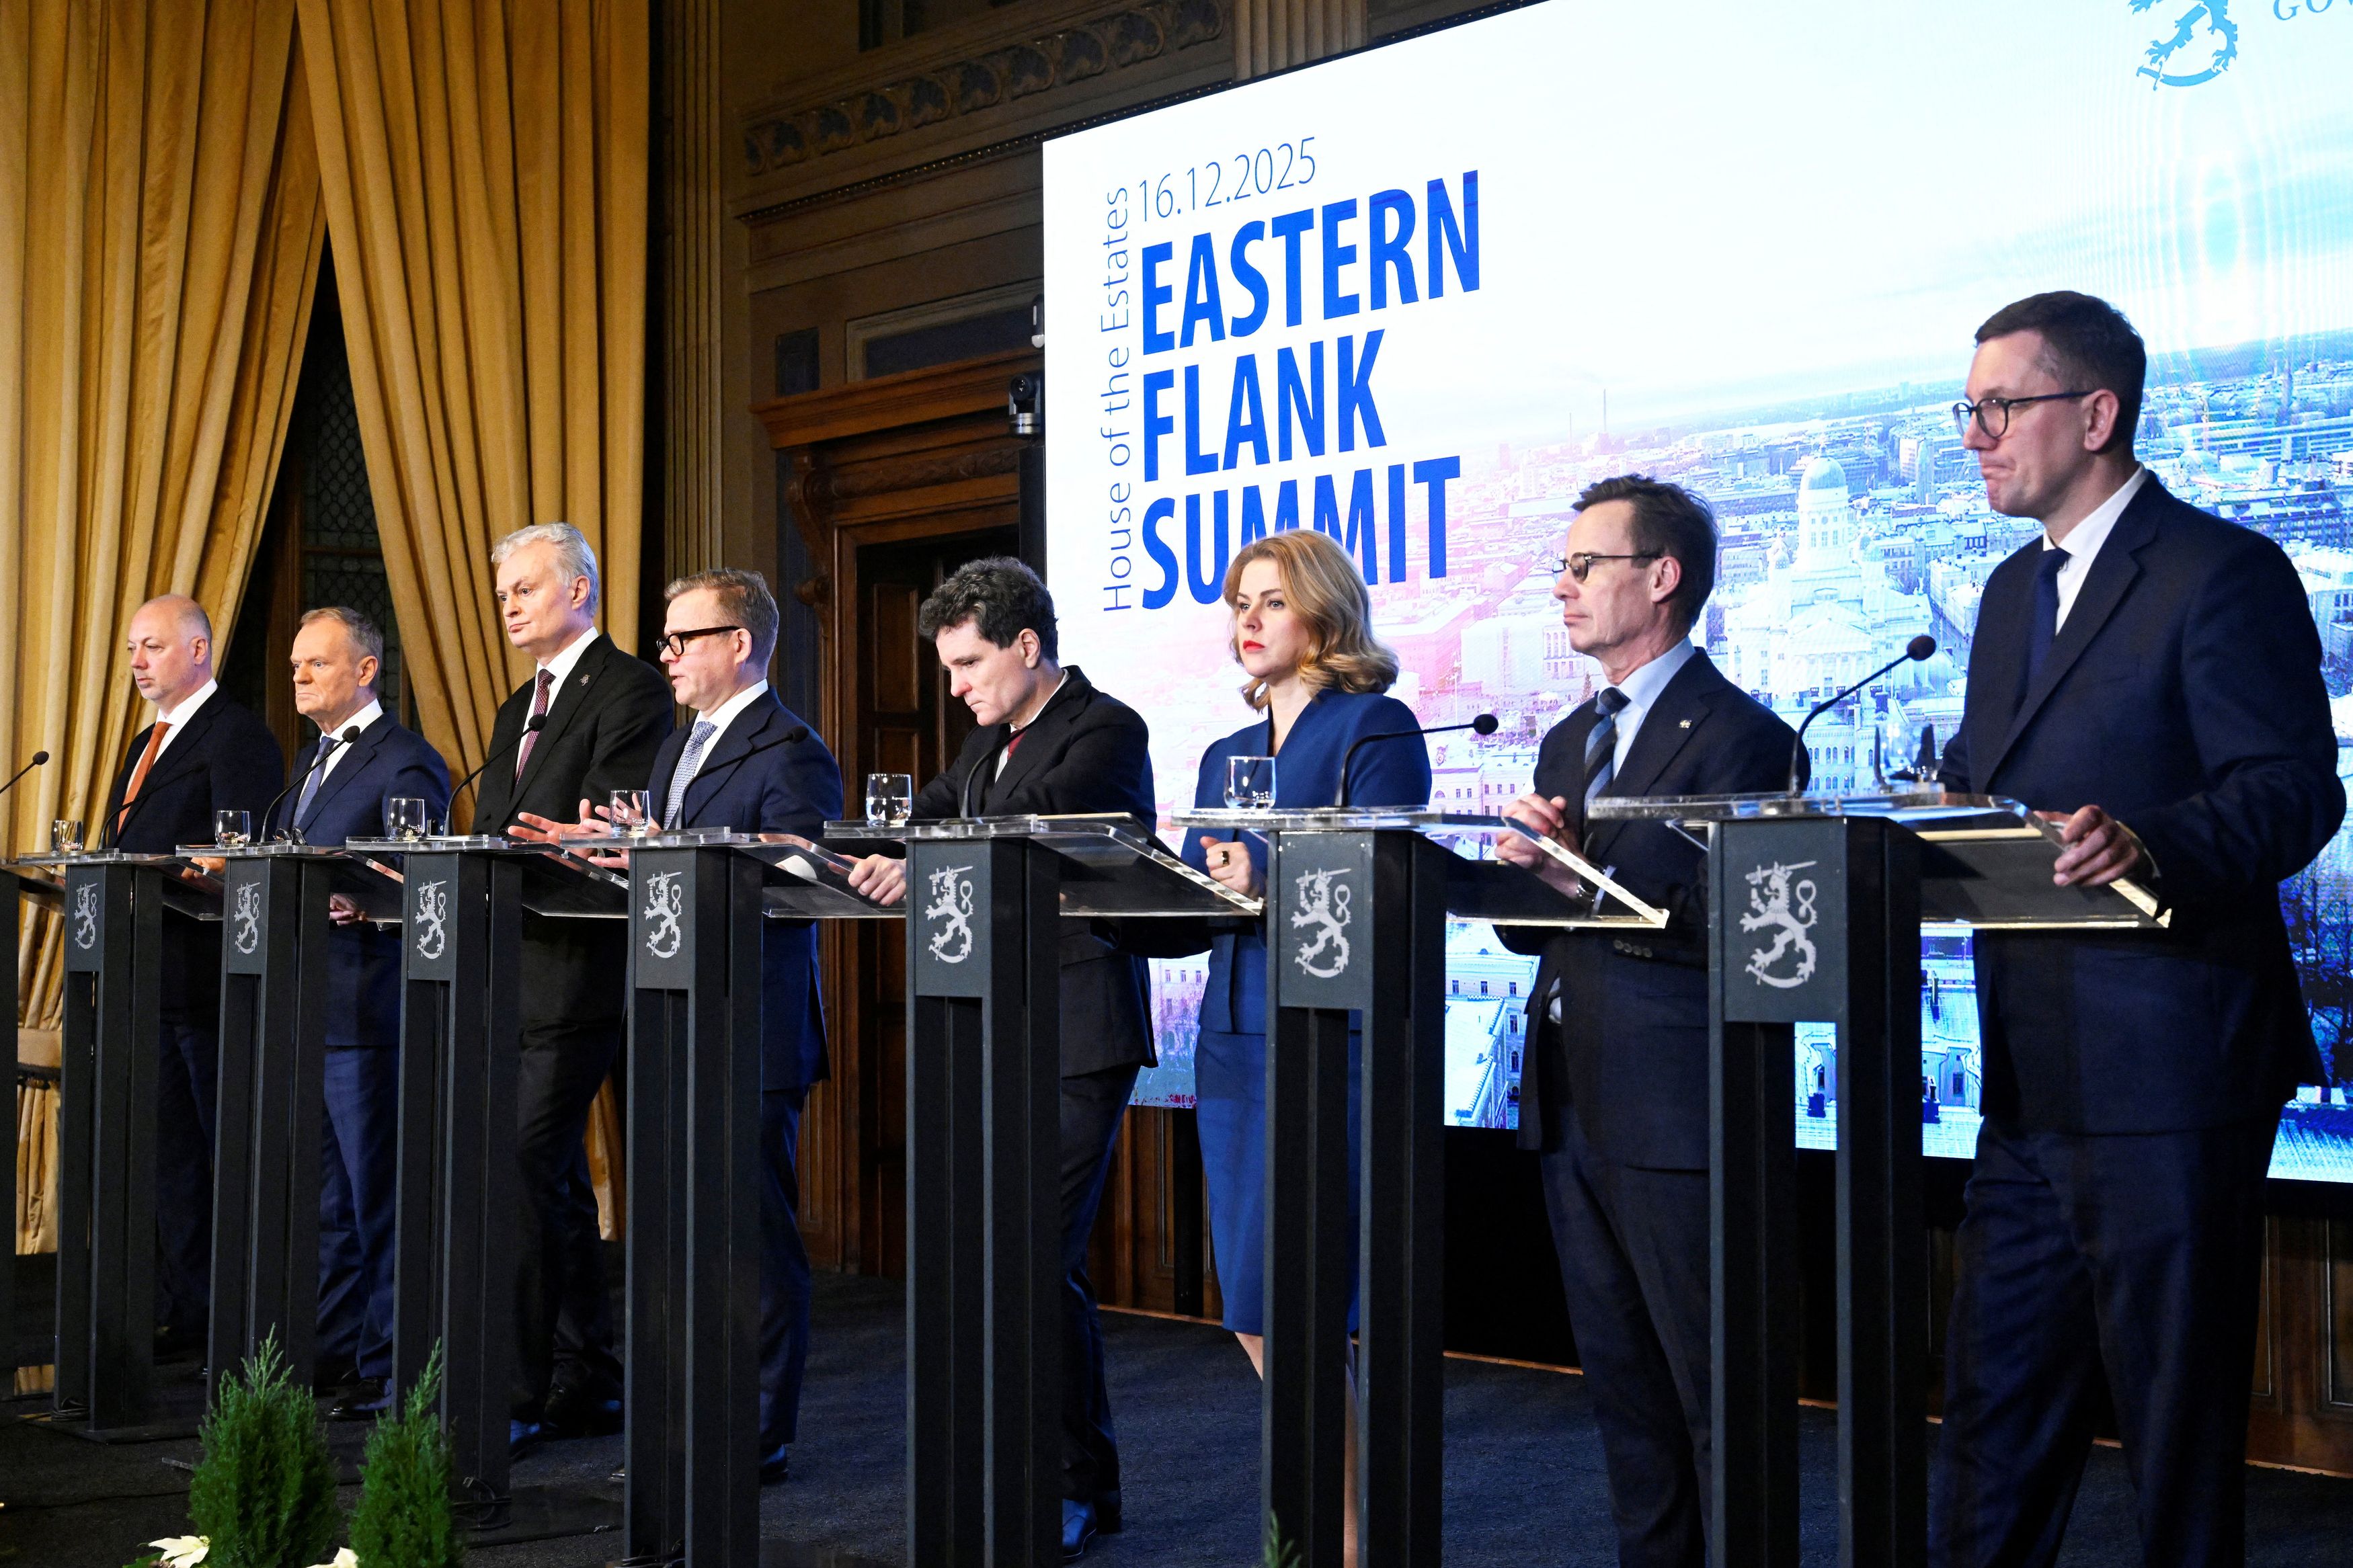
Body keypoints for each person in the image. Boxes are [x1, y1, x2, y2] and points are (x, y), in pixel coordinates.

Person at [1929, 292, 2342, 1567]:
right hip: (2030, 1076)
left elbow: (2293, 790)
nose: (1977, 437)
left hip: (2171, 1070)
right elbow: (1990, 783)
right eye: (1970, 410)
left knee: (2175, 1433)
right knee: (1994, 1423)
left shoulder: (2220, 572)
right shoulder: (2008, 593)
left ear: (2097, 413)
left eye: (2002, 407)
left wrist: (2150, 844)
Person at [1493, 476, 1799, 1568]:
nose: (1563, 587)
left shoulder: (1745, 737)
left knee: (1718, 1393)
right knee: (1626, 1400)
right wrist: (1530, 875)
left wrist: (1583, 884)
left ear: (1662, 578)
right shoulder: (1569, 737)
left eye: (1586, 566)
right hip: (1572, 1098)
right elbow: (1532, 930)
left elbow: (1754, 926)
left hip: (1681, 1109)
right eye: (1563, 567)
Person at [842, 556, 1154, 1559]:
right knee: (1025, 1261)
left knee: (1027, 1253)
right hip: (995, 1024)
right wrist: (876, 850)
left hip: (1076, 1027)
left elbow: (1028, 828)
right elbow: (928, 810)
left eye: (969, 663)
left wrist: (923, 851)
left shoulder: (1105, 728)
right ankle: (1079, 1475)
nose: (956, 687)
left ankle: (1061, 1483)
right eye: (948, 668)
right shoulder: (986, 742)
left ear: (1027, 645)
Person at [516, 568, 842, 1484]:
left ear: (739, 643)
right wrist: (607, 855)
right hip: (670, 1017)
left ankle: (757, 1432)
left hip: (749, 1025)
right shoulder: (677, 745)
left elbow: (800, 883)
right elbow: (666, 870)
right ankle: (688, 1420)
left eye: (682, 638)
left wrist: (664, 857)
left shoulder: (791, 749)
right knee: (681, 1243)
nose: (665, 655)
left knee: (751, 1241)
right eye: (664, 639)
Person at [1183, 528, 1433, 1568]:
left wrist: (1270, 877)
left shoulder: (1375, 727)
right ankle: (1332, 1531)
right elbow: (1200, 893)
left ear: (1323, 613)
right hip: (1237, 1041)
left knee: (1309, 1308)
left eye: (1271, 601)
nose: (1249, 620)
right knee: (1255, 1309)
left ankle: (1342, 1542)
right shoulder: (1224, 755)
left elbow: (1384, 878)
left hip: (1335, 1042)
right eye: (1240, 602)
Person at [466, 522, 674, 1452]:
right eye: (503, 593)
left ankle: (515, 1391)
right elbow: (501, 825)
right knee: (540, 1175)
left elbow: (601, 826)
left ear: (579, 590)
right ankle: (586, 1374)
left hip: (578, 969)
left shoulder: (630, 688)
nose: (508, 605)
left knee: (523, 1162)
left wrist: (556, 840)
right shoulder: (520, 704)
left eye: (524, 588)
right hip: (509, 966)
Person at [269, 607, 451, 1417]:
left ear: (366, 669)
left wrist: (371, 901)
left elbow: (424, 879)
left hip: (372, 1016)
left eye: (316, 662)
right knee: (328, 1204)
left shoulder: (406, 761)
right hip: (310, 1006)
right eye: (296, 665)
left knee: (379, 1198)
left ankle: (390, 1363)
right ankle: (334, 1352)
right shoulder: (309, 761)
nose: (299, 675)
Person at [101, 595, 283, 1356]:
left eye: (152, 646)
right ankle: (187, 1307)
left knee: (213, 1153)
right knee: (168, 1157)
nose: (137, 662)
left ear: (199, 650)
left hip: (206, 982)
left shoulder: (236, 735)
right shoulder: (146, 741)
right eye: (132, 649)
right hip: (144, 977)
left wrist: (196, 869)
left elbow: (242, 855)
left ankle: (232, 1314)